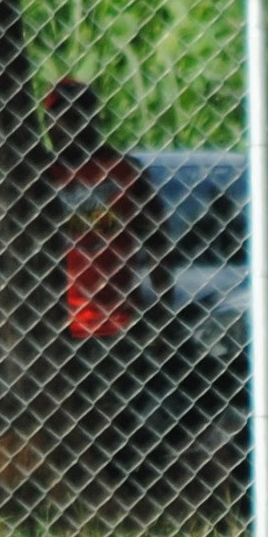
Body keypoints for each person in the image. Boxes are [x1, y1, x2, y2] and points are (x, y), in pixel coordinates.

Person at [42, 77, 174, 514]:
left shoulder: (123, 171)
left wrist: (164, 302)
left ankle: (126, 498)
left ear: (92, 116)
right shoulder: (41, 175)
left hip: (118, 318)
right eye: (57, 115)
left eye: (76, 113)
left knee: (120, 415)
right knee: (69, 417)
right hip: (58, 321)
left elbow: (156, 237)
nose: (66, 124)